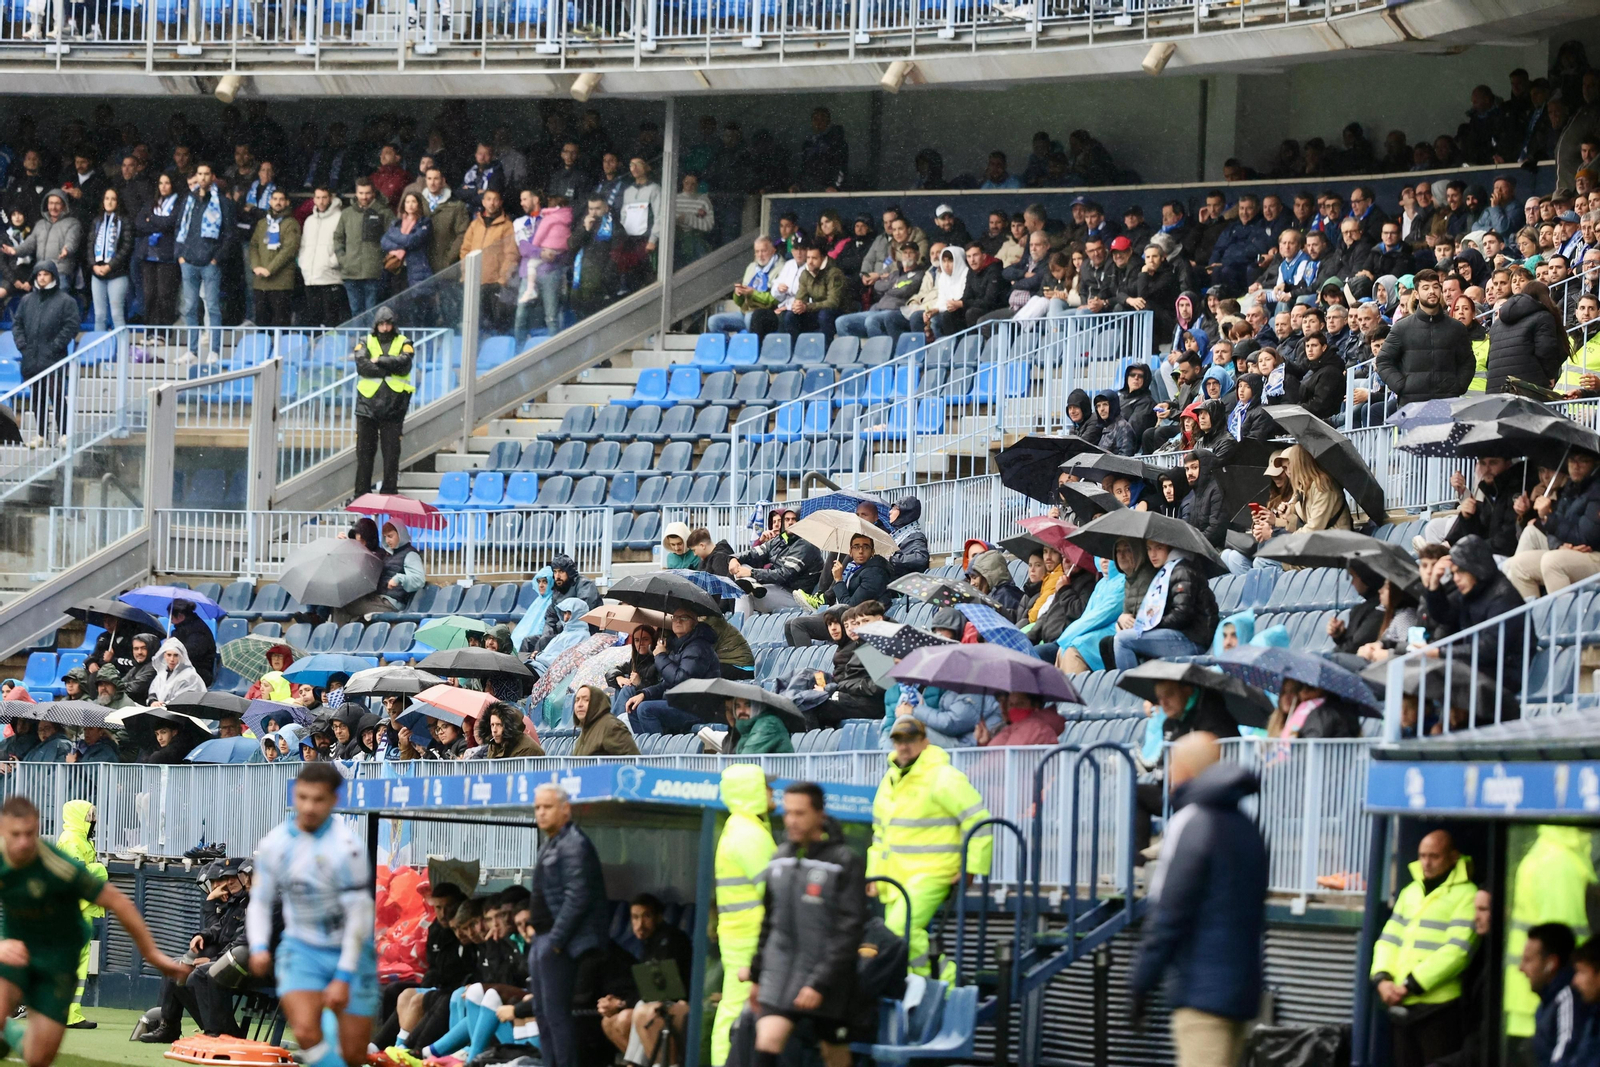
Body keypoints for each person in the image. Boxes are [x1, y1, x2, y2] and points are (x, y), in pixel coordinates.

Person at [0, 794, 188, 1062]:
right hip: (16, 950)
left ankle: (10, 1038)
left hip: (59, 958)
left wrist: (153, 955)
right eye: (15, 834)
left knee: (38, 1057)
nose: (22, 842)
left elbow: (118, 903)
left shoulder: (56, 864)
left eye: (29, 833)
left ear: (38, 829)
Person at [1131, 734, 1266, 1067]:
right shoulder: (1248, 827)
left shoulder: (1191, 823)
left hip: (1201, 995)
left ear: (1186, 772)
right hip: (1244, 993)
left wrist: (1140, 983)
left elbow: (1167, 914)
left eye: (1173, 767)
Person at [246, 764, 376, 1067]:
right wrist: (259, 946)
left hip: (351, 951)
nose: (308, 806)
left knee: (354, 1055)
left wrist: (343, 976)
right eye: (302, 797)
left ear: (334, 800)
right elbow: (260, 902)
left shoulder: (349, 849)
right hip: (301, 947)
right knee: (305, 1031)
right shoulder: (274, 844)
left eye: (318, 799)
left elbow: (360, 916)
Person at [744, 782, 866, 1067]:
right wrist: (756, 975)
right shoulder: (779, 859)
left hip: (829, 980)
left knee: (834, 1054)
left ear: (819, 815)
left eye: (800, 813)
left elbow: (849, 930)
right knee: (767, 1042)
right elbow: (768, 923)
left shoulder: (844, 862)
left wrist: (819, 983)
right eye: (787, 813)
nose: (791, 821)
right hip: (781, 971)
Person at [869, 717, 992, 979]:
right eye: (899, 740)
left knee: (899, 931)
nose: (904, 746)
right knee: (898, 937)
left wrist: (971, 867)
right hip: (896, 876)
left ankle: (944, 985)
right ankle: (924, 985)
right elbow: (880, 835)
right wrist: (874, 875)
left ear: (924, 742)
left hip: (934, 872)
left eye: (911, 740)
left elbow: (979, 822)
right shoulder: (890, 779)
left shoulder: (944, 777)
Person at [1370, 830, 1479, 1067]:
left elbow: (1458, 950)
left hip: (1440, 1009)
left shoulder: (1467, 895)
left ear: (1453, 857)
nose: (1426, 863)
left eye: (1434, 856)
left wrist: (1410, 984)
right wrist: (1382, 978)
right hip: (1402, 1004)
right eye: (1422, 856)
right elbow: (1389, 939)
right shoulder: (1410, 892)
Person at [528, 783, 609, 1067]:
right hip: (542, 939)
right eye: (537, 807)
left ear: (565, 810)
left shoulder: (574, 843)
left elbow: (578, 897)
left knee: (557, 1017)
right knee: (543, 1015)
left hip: (557, 942)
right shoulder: (553, 841)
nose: (541, 813)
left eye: (547, 807)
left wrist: (556, 941)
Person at [712, 766, 774, 1067]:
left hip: (741, 935)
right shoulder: (750, 835)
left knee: (734, 1006)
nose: (772, 792)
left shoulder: (742, 829)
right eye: (766, 786)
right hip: (749, 937)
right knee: (736, 1009)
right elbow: (775, 892)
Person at [1374, 269, 1475, 408]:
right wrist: (1402, 386)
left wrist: (1458, 387)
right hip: (1412, 406)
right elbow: (1383, 361)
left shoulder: (1456, 328)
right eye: (1425, 288)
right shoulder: (1401, 328)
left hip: (1447, 404)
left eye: (1435, 287)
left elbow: (1468, 362)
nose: (1432, 291)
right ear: (1416, 294)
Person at [1506, 449, 1600, 598]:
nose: (1576, 466)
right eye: (1572, 460)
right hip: (1570, 550)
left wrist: (1548, 517)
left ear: (1595, 464)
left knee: (1552, 562)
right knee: (1518, 564)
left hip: (1594, 555)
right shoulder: (1571, 488)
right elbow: (1551, 529)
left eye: (1583, 461)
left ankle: (1563, 620)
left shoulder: (1596, 491)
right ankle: (1529, 619)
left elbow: (1586, 537)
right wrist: (1559, 544)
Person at [1112, 540, 1219, 669]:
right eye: (1149, 549)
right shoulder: (1167, 571)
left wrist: (1150, 625)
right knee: (1122, 638)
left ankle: (1131, 689)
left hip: (1192, 640)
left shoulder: (1182, 570)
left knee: (1122, 640)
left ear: (1170, 548)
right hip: (1180, 635)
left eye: (1159, 548)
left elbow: (1182, 614)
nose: (1153, 554)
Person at [352, 307, 416, 498]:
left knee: (391, 454)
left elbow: (404, 363)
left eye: (388, 323)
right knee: (364, 453)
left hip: (394, 404)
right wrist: (387, 369)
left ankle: (389, 492)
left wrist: (379, 360)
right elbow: (361, 365)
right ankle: (362, 493)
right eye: (382, 324)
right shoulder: (365, 340)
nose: (385, 327)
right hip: (367, 403)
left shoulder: (404, 341)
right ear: (376, 325)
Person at [11, 262, 79, 438]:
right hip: (31, 358)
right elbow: (17, 324)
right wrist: (22, 345)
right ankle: (41, 435)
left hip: (53, 358)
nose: (41, 278)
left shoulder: (66, 301)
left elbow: (71, 326)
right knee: (36, 399)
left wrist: (55, 346)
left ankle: (64, 434)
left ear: (53, 276)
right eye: (39, 274)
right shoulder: (26, 301)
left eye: (45, 274)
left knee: (56, 396)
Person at [627, 609, 721, 735]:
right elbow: (667, 683)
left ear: (694, 623)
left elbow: (681, 680)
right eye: (675, 617)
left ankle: (660, 752)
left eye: (684, 617)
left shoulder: (698, 647)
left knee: (645, 709)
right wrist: (644, 694)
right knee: (634, 707)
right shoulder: (679, 646)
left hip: (698, 708)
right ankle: (645, 750)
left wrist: (660, 656)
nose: (678, 621)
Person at [1521, 923, 1585, 1067]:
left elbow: (1565, 1055)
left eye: (1528, 960)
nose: (1521, 968)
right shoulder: (1549, 1001)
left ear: (1551, 964)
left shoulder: (1568, 999)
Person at [334, 178, 397, 316]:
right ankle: (360, 338)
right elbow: (338, 237)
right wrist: (343, 259)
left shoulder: (384, 212)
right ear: (356, 193)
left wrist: (383, 260)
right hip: (350, 271)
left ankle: (370, 338)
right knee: (355, 312)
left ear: (373, 193)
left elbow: (394, 238)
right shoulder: (347, 213)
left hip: (375, 272)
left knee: (372, 313)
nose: (364, 196)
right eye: (361, 193)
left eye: (367, 193)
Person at [571, 685, 639, 757]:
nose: (579, 705)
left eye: (586, 700)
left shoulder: (611, 726)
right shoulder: (586, 728)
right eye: (577, 700)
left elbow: (632, 761)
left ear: (596, 703)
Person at [168, 600, 215, 686]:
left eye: (171, 618)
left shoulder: (198, 631)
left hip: (199, 672)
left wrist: (172, 646)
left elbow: (192, 652)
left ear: (180, 616)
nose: (171, 622)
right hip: (184, 669)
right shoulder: (181, 629)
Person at [148, 637, 206, 707]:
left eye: (176, 655)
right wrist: (153, 701)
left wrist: (163, 705)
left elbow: (184, 700)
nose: (172, 659)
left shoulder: (189, 675)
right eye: (169, 655)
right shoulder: (162, 674)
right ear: (164, 656)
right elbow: (153, 690)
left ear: (181, 656)